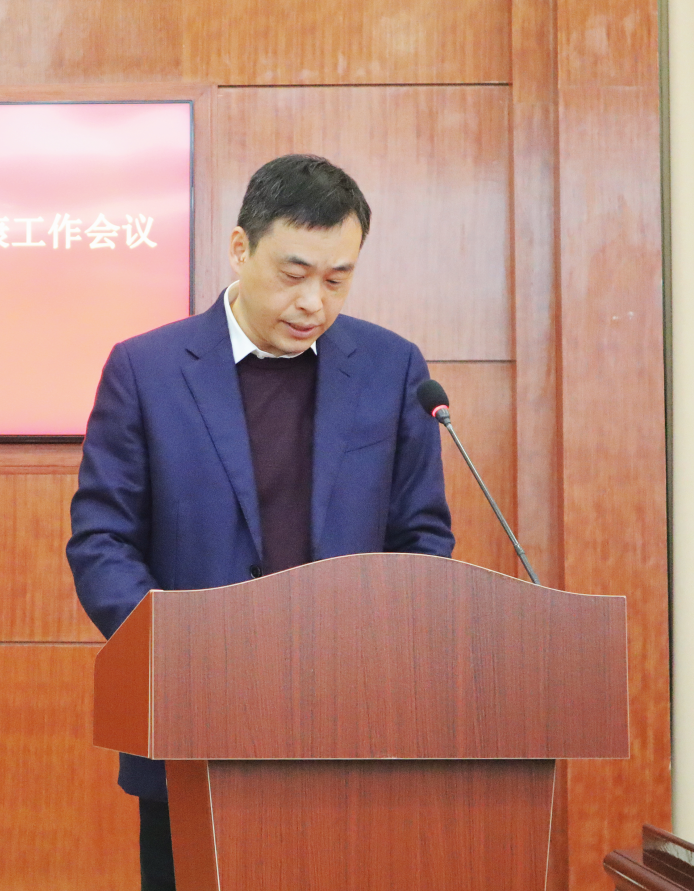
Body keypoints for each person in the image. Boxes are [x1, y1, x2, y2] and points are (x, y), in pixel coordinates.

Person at [67, 153, 454, 891]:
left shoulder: (392, 368)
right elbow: (102, 539)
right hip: (192, 723)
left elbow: (421, 538)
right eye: (293, 273)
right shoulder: (147, 370)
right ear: (241, 249)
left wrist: (381, 648)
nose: (313, 302)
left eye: (336, 280)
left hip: (352, 725)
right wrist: (181, 650)